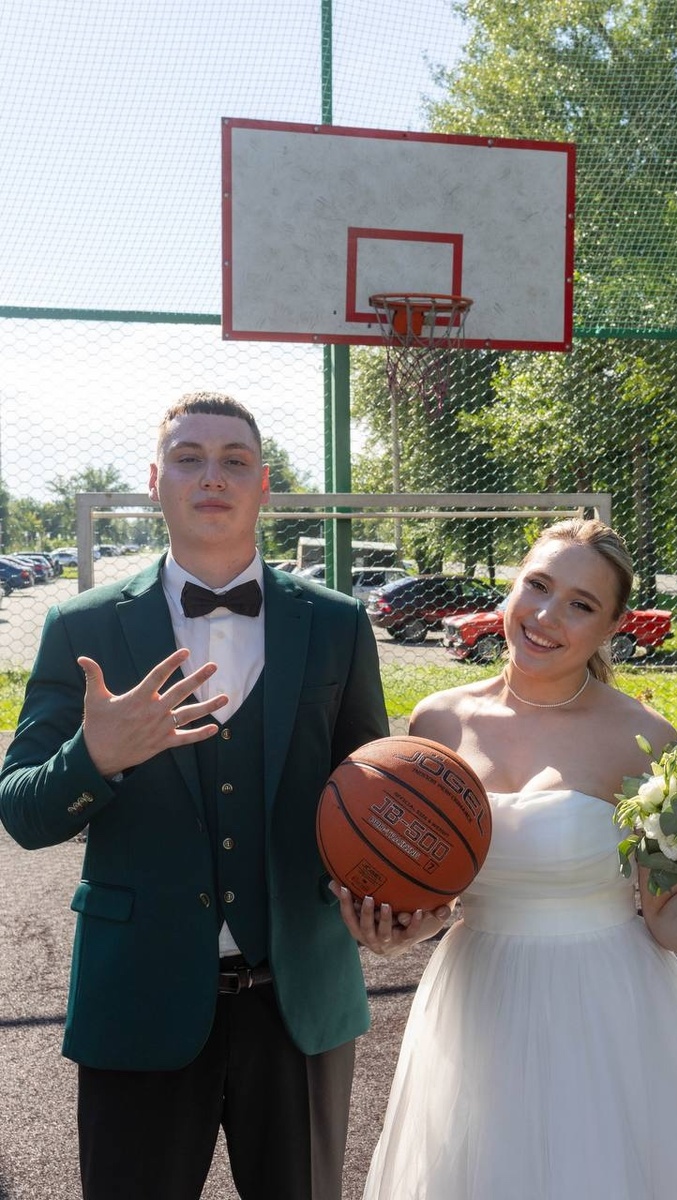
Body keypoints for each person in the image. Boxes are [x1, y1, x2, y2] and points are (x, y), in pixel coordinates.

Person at [0, 391, 389, 1200]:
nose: (212, 476)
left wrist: (401, 901)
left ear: (264, 484)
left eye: (234, 460)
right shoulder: (81, 627)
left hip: (300, 1001)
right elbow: (24, 811)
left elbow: (373, 797)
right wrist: (94, 759)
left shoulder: (338, 624)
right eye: (189, 458)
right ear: (154, 482)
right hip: (137, 998)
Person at [334, 518, 677, 1199]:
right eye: (538, 586)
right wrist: (398, 933)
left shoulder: (645, 738)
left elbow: (673, 925)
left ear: (612, 626)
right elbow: (436, 897)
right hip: (477, 1001)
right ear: (512, 586)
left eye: (581, 604)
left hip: (608, 1010)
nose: (546, 617)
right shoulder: (436, 723)